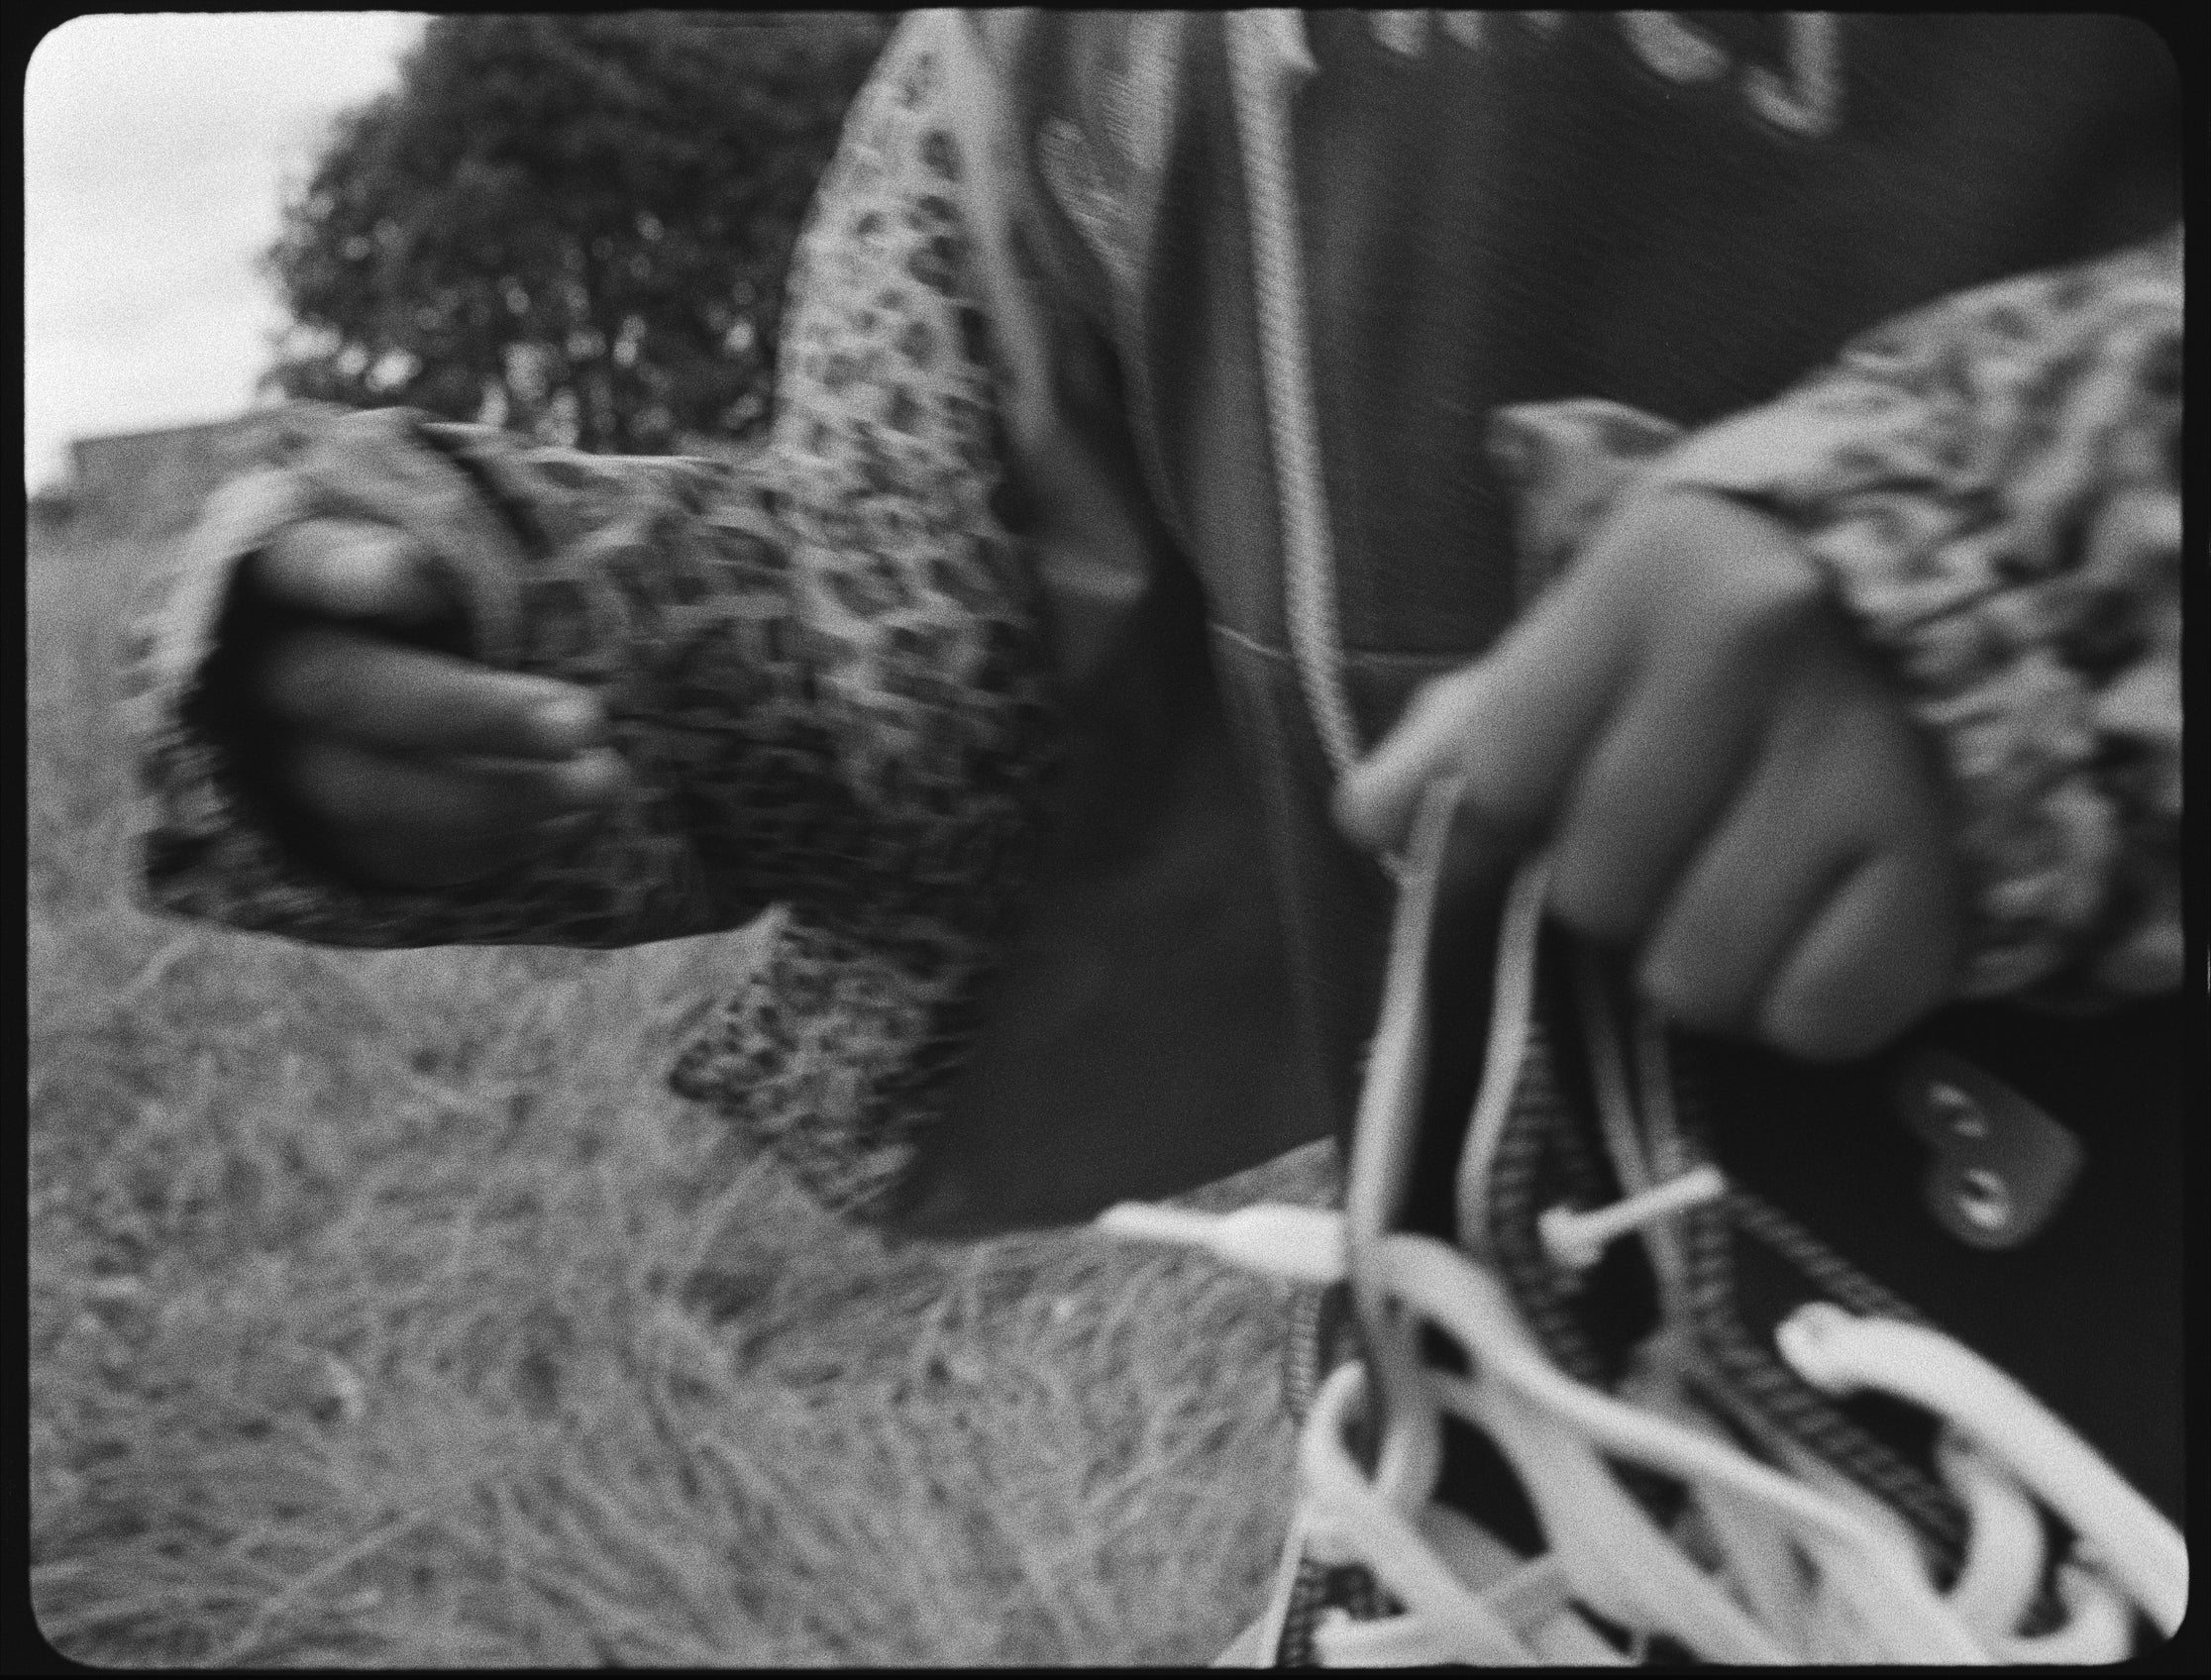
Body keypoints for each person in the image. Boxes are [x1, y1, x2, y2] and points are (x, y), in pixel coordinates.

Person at [129, 9, 2182, 1657]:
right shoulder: (1055, 60)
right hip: (1517, 1494)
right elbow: (917, 643)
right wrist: (528, 627)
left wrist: (2028, 554)